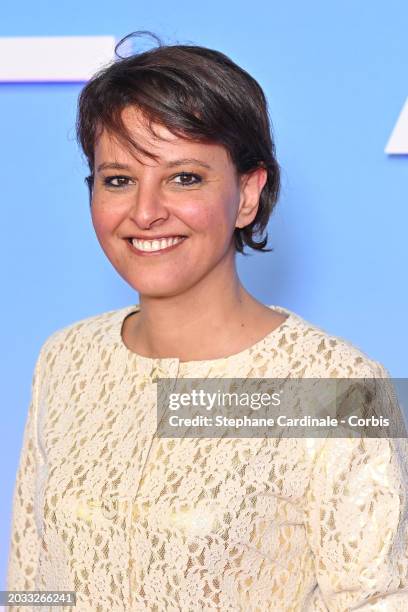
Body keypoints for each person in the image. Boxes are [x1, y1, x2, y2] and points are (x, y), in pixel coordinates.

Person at [7, 31, 408, 611]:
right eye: (118, 179)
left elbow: (381, 600)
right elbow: (32, 581)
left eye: (184, 177)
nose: (145, 212)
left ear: (248, 194)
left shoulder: (341, 392)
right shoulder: (65, 357)